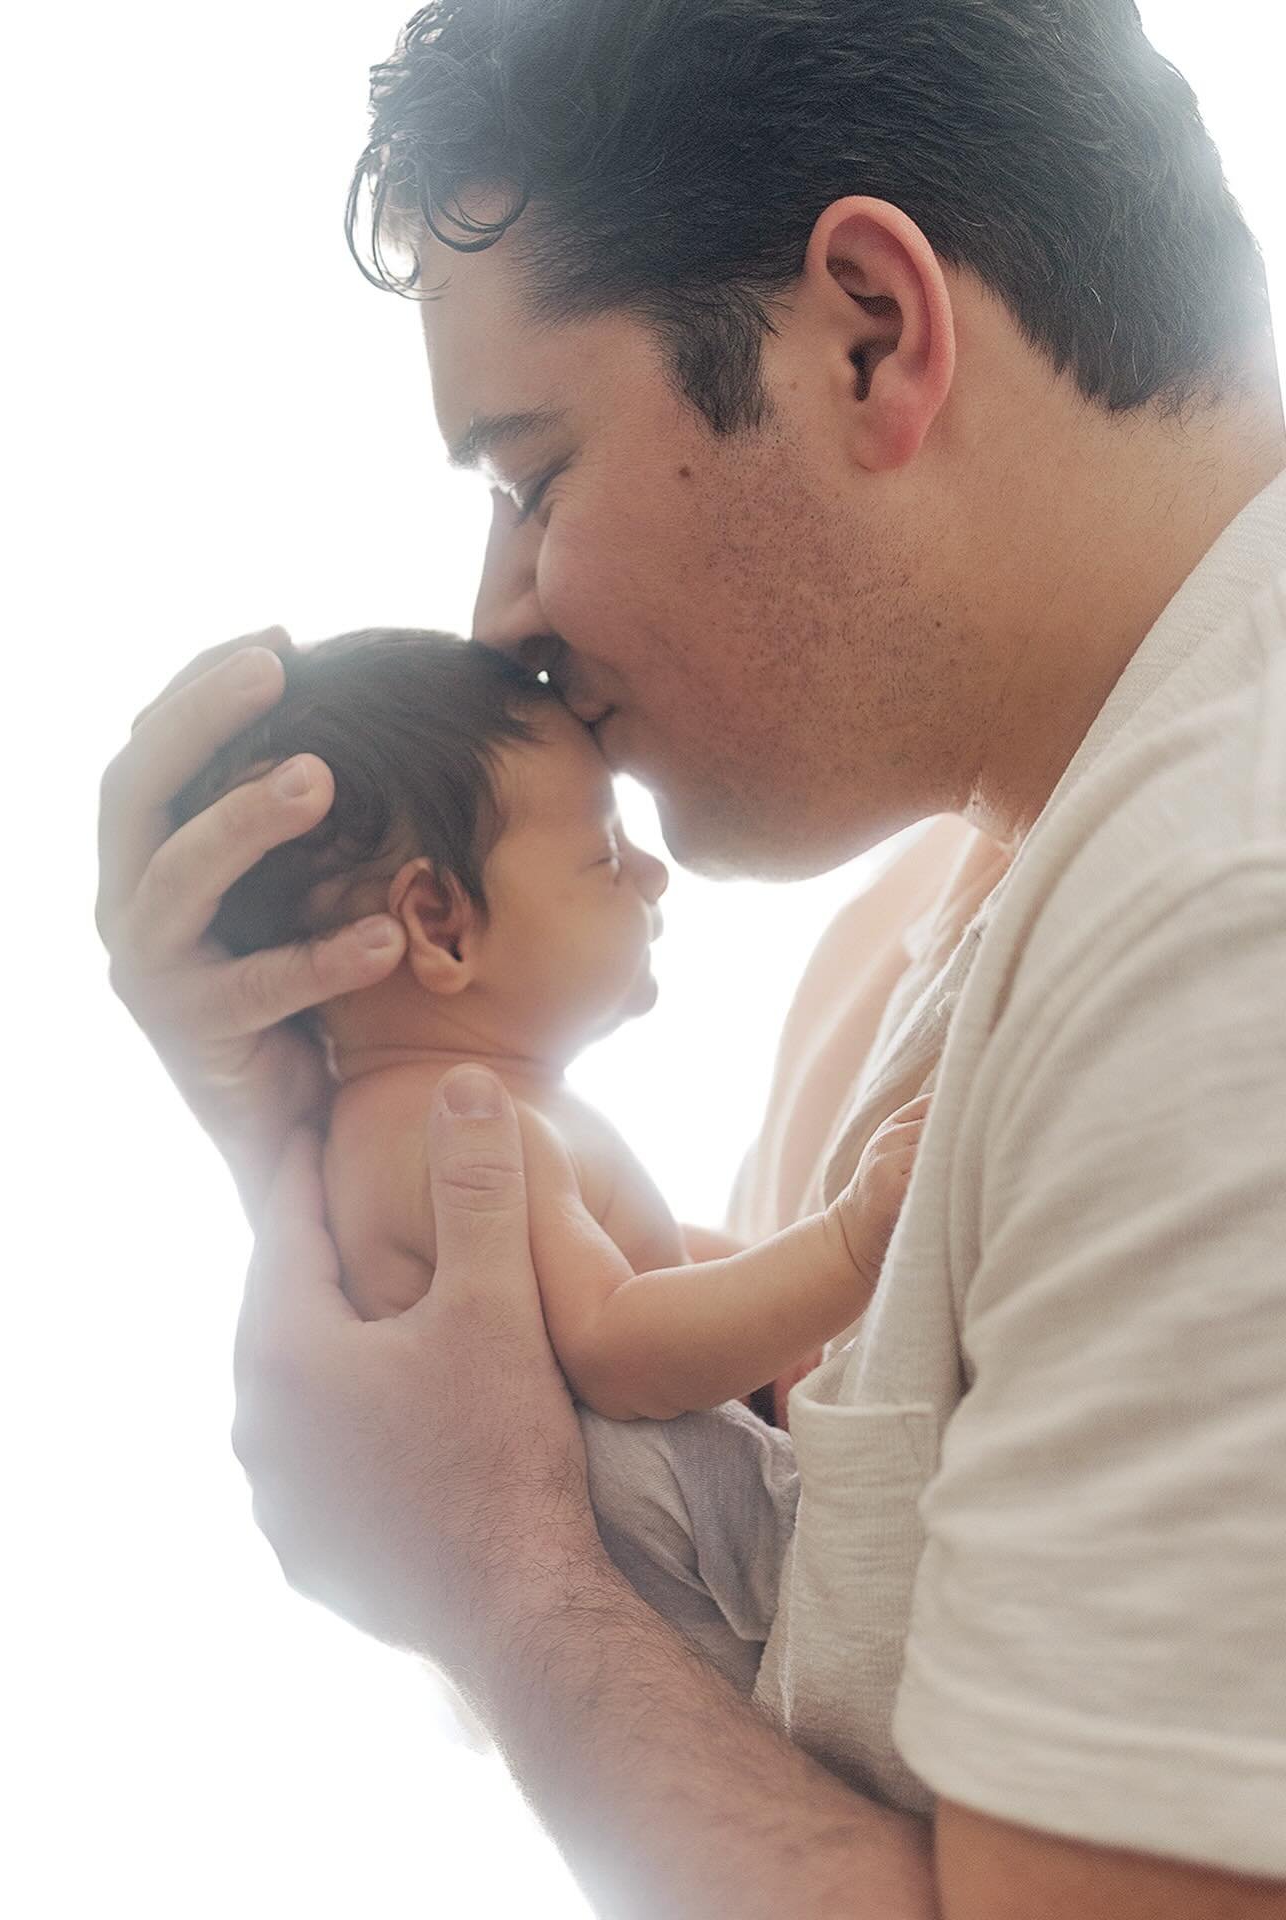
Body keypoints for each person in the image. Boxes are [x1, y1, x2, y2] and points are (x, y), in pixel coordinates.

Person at [95, 2, 1286, 1913]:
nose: (502, 617)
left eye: (529, 469)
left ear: (866, 337)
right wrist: (330, 1146)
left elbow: (581, 1642)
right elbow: (720, 1672)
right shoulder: (918, 949)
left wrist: (497, 1582)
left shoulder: (1222, 942)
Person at [174, 623, 928, 1691]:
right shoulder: (468, 1130)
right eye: (607, 854)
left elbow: (635, 1262)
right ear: (440, 924)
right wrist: (844, 1247)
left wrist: (758, 1280)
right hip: (710, 1601)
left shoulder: (431, 1116)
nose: (655, 875)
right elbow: (621, 1346)